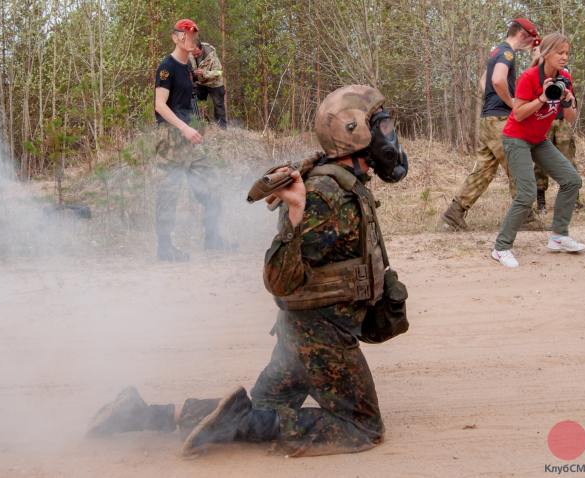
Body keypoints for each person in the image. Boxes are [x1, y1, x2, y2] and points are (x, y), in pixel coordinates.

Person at [87, 85, 411, 458]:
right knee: (360, 427)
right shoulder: (327, 195)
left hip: (304, 333)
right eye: (382, 127)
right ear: (354, 132)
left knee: (263, 409)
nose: (390, 137)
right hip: (320, 335)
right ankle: (238, 423)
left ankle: (143, 414)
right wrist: (294, 216)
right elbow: (280, 280)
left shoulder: (342, 184)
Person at [491, 33, 584, 268]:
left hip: (538, 139)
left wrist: (568, 101)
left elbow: (570, 119)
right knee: (527, 193)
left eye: (567, 53)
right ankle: (501, 248)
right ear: (546, 53)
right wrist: (543, 97)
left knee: (572, 180)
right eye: (560, 53)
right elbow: (519, 114)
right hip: (516, 138)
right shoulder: (529, 77)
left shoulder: (565, 79)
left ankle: (558, 236)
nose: (564, 57)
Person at [442, 18, 540, 230]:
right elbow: (497, 80)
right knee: (518, 165)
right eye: (531, 39)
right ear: (523, 34)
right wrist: (512, 103)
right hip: (501, 121)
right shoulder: (507, 53)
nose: (531, 45)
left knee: (484, 171)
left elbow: (482, 83)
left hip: (488, 120)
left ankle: (455, 212)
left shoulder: (496, 52)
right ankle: (526, 217)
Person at [153, 19, 234, 261]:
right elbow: (159, 105)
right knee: (169, 193)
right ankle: (165, 248)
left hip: (191, 136)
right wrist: (184, 128)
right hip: (172, 137)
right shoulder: (166, 67)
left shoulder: (188, 66)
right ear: (176, 37)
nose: (193, 40)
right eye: (189, 35)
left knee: (211, 184)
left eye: (195, 35)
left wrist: (195, 127)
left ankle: (212, 238)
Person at [530, 47, 583, 214]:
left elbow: (571, 101)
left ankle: (573, 200)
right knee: (540, 164)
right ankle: (541, 202)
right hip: (541, 122)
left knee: (568, 160)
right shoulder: (534, 75)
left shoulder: (564, 76)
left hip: (561, 122)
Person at [190, 39, 227, 128]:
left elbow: (219, 72)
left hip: (215, 83)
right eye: (193, 54)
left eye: (197, 54)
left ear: (201, 49)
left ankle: (221, 128)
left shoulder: (212, 56)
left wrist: (204, 72)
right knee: (197, 103)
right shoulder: (189, 53)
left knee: (218, 105)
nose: (195, 56)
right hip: (200, 82)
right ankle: (200, 125)